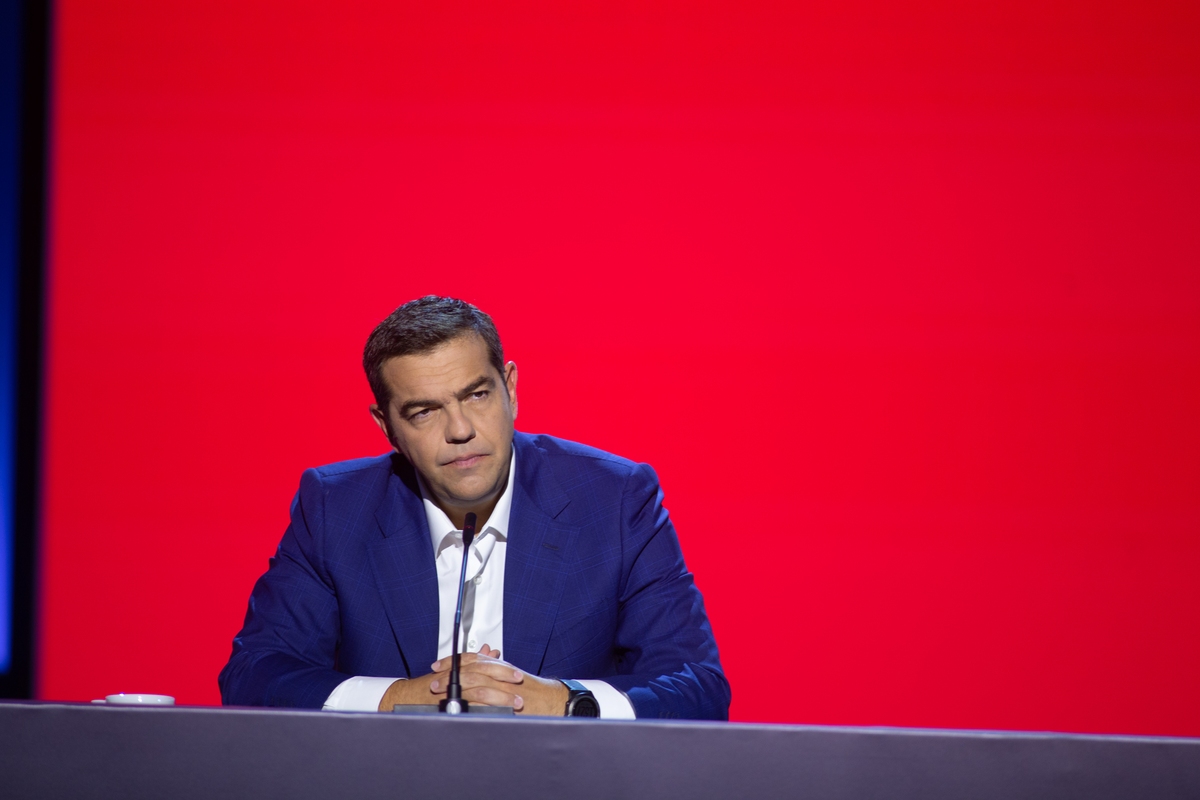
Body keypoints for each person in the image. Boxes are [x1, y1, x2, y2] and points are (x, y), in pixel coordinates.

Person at [218, 296, 729, 719]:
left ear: (510, 388)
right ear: (386, 426)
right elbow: (254, 675)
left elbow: (698, 688)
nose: (460, 430)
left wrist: (563, 701)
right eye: (424, 411)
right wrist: (399, 699)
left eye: (477, 395)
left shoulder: (614, 499)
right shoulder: (336, 508)